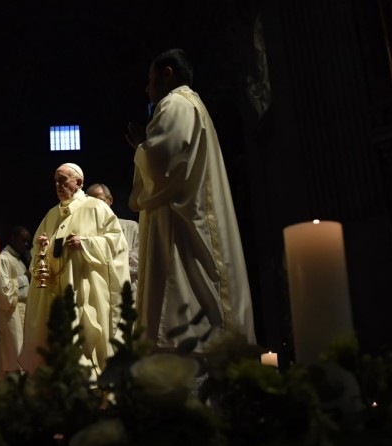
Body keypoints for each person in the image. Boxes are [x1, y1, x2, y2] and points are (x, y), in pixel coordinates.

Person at [127, 48, 256, 352]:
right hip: (186, 212)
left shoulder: (175, 104)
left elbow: (163, 164)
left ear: (167, 74)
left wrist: (141, 149)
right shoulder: (193, 105)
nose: (147, 89)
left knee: (184, 306)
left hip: (179, 224)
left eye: (150, 80)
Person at [19, 163, 130, 375]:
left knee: (82, 342)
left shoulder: (96, 208)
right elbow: (38, 254)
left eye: (63, 180)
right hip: (55, 292)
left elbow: (117, 243)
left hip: (83, 289)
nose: (58, 185)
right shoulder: (51, 215)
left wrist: (86, 243)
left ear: (78, 182)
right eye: (55, 181)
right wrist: (42, 248)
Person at [86, 183, 139, 303]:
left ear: (110, 201)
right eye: (91, 202)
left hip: (127, 292)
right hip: (97, 294)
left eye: (100, 201)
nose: (96, 206)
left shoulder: (131, 227)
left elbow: (141, 260)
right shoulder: (84, 232)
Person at [0, 225, 32, 376]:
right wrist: (25, 278)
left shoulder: (19, 260)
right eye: (23, 240)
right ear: (13, 238)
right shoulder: (3, 259)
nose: (26, 244)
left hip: (23, 313)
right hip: (11, 315)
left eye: (28, 241)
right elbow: (3, 291)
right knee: (14, 358)